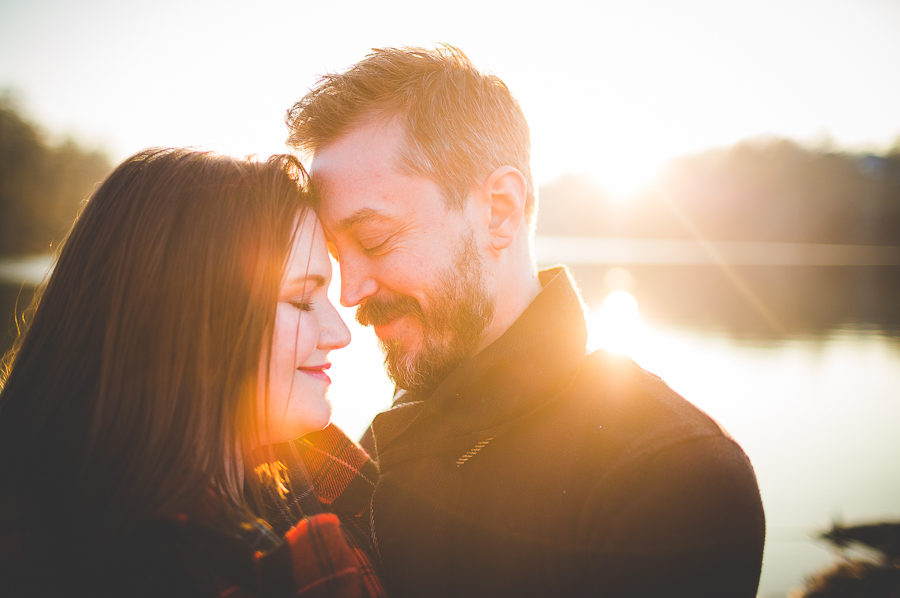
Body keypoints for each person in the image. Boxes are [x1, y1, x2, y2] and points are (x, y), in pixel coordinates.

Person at [286, 45, 766, 597]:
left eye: (375, 239)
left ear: (499, 210)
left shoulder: (671, 473)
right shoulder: (369, 454)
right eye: (338, 256)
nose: (349, 294)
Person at [0, 148, 384, 597]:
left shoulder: (317, 478)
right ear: (185, 320)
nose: (340, 332)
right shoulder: (139, 566)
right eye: (301, 300)